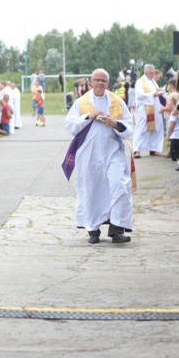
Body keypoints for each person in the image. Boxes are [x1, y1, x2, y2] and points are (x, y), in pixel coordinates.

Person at [65, 68, 133, 244]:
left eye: (103, 81)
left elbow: (129, 127)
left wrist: (115, 123)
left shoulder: (117, 102)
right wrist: (89, 116)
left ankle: (117, 229)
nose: (100, 83)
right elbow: (70, 126)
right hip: (89, 154)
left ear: (108, 83)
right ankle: (93, 229)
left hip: (112, 152)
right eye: (97, 80)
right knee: (91, 189)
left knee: (119, 184)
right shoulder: (82, 102)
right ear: (91, 81)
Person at [133, 64, 165, 158]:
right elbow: (139, 95)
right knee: (141, 128)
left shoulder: (152, 81)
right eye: (151, 73)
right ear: (145, 72)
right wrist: (153, 94)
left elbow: (155, 90)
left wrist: (159, 90)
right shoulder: (140, 82)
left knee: (155, 128)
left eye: (154, 72)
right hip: (144, 108)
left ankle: (153, 149)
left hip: (154, 107)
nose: (153, 74)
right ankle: (136, 150)